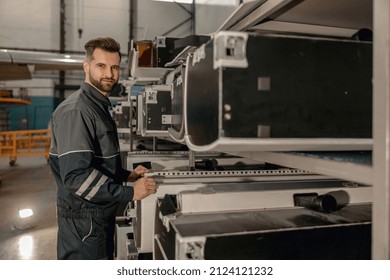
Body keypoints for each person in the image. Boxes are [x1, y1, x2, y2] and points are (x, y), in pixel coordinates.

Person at [49, 37, 157, 260]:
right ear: (86, 66)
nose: (109, 73)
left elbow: (98, 163)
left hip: (96, 216)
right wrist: (129, 192)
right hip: (84, 223)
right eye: (101, 66)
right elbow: (77, 177)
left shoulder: (97, 107)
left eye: (114, 67)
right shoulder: (77, 111)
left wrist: (128, 175)